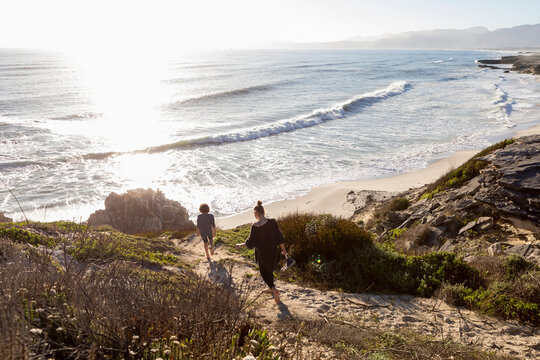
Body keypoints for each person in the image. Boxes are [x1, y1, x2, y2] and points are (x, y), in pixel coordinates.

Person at [236, 201, 288, 304]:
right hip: (273, 253)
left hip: (262, 254)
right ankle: (270, 288)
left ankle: (273, 289)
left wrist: (240, 245)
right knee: (269, 271)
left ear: (256, 213)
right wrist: (284, 250)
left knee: (264, 272)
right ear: (264, 211)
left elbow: (250, 242)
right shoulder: (273, 222)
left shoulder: (255, 226)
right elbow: (279, 237)